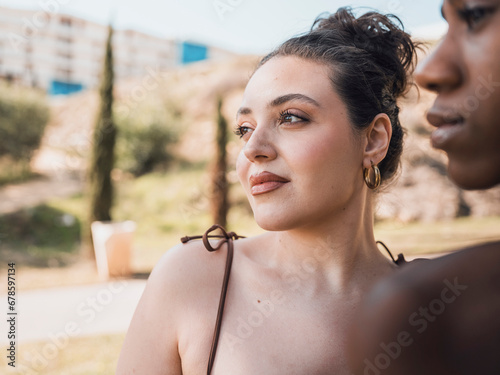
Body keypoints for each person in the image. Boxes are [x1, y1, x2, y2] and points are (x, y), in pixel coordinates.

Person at [117, 7, 419, 375]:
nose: (253, 147)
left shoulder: (436, 303)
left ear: (373, 140)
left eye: (291, 117)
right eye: (244, 128)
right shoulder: (191, 281)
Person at [347, 1, 500, 374]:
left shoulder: (427, 319)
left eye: (475, 15)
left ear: (373, 141)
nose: (429, 72)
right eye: (244, 129)